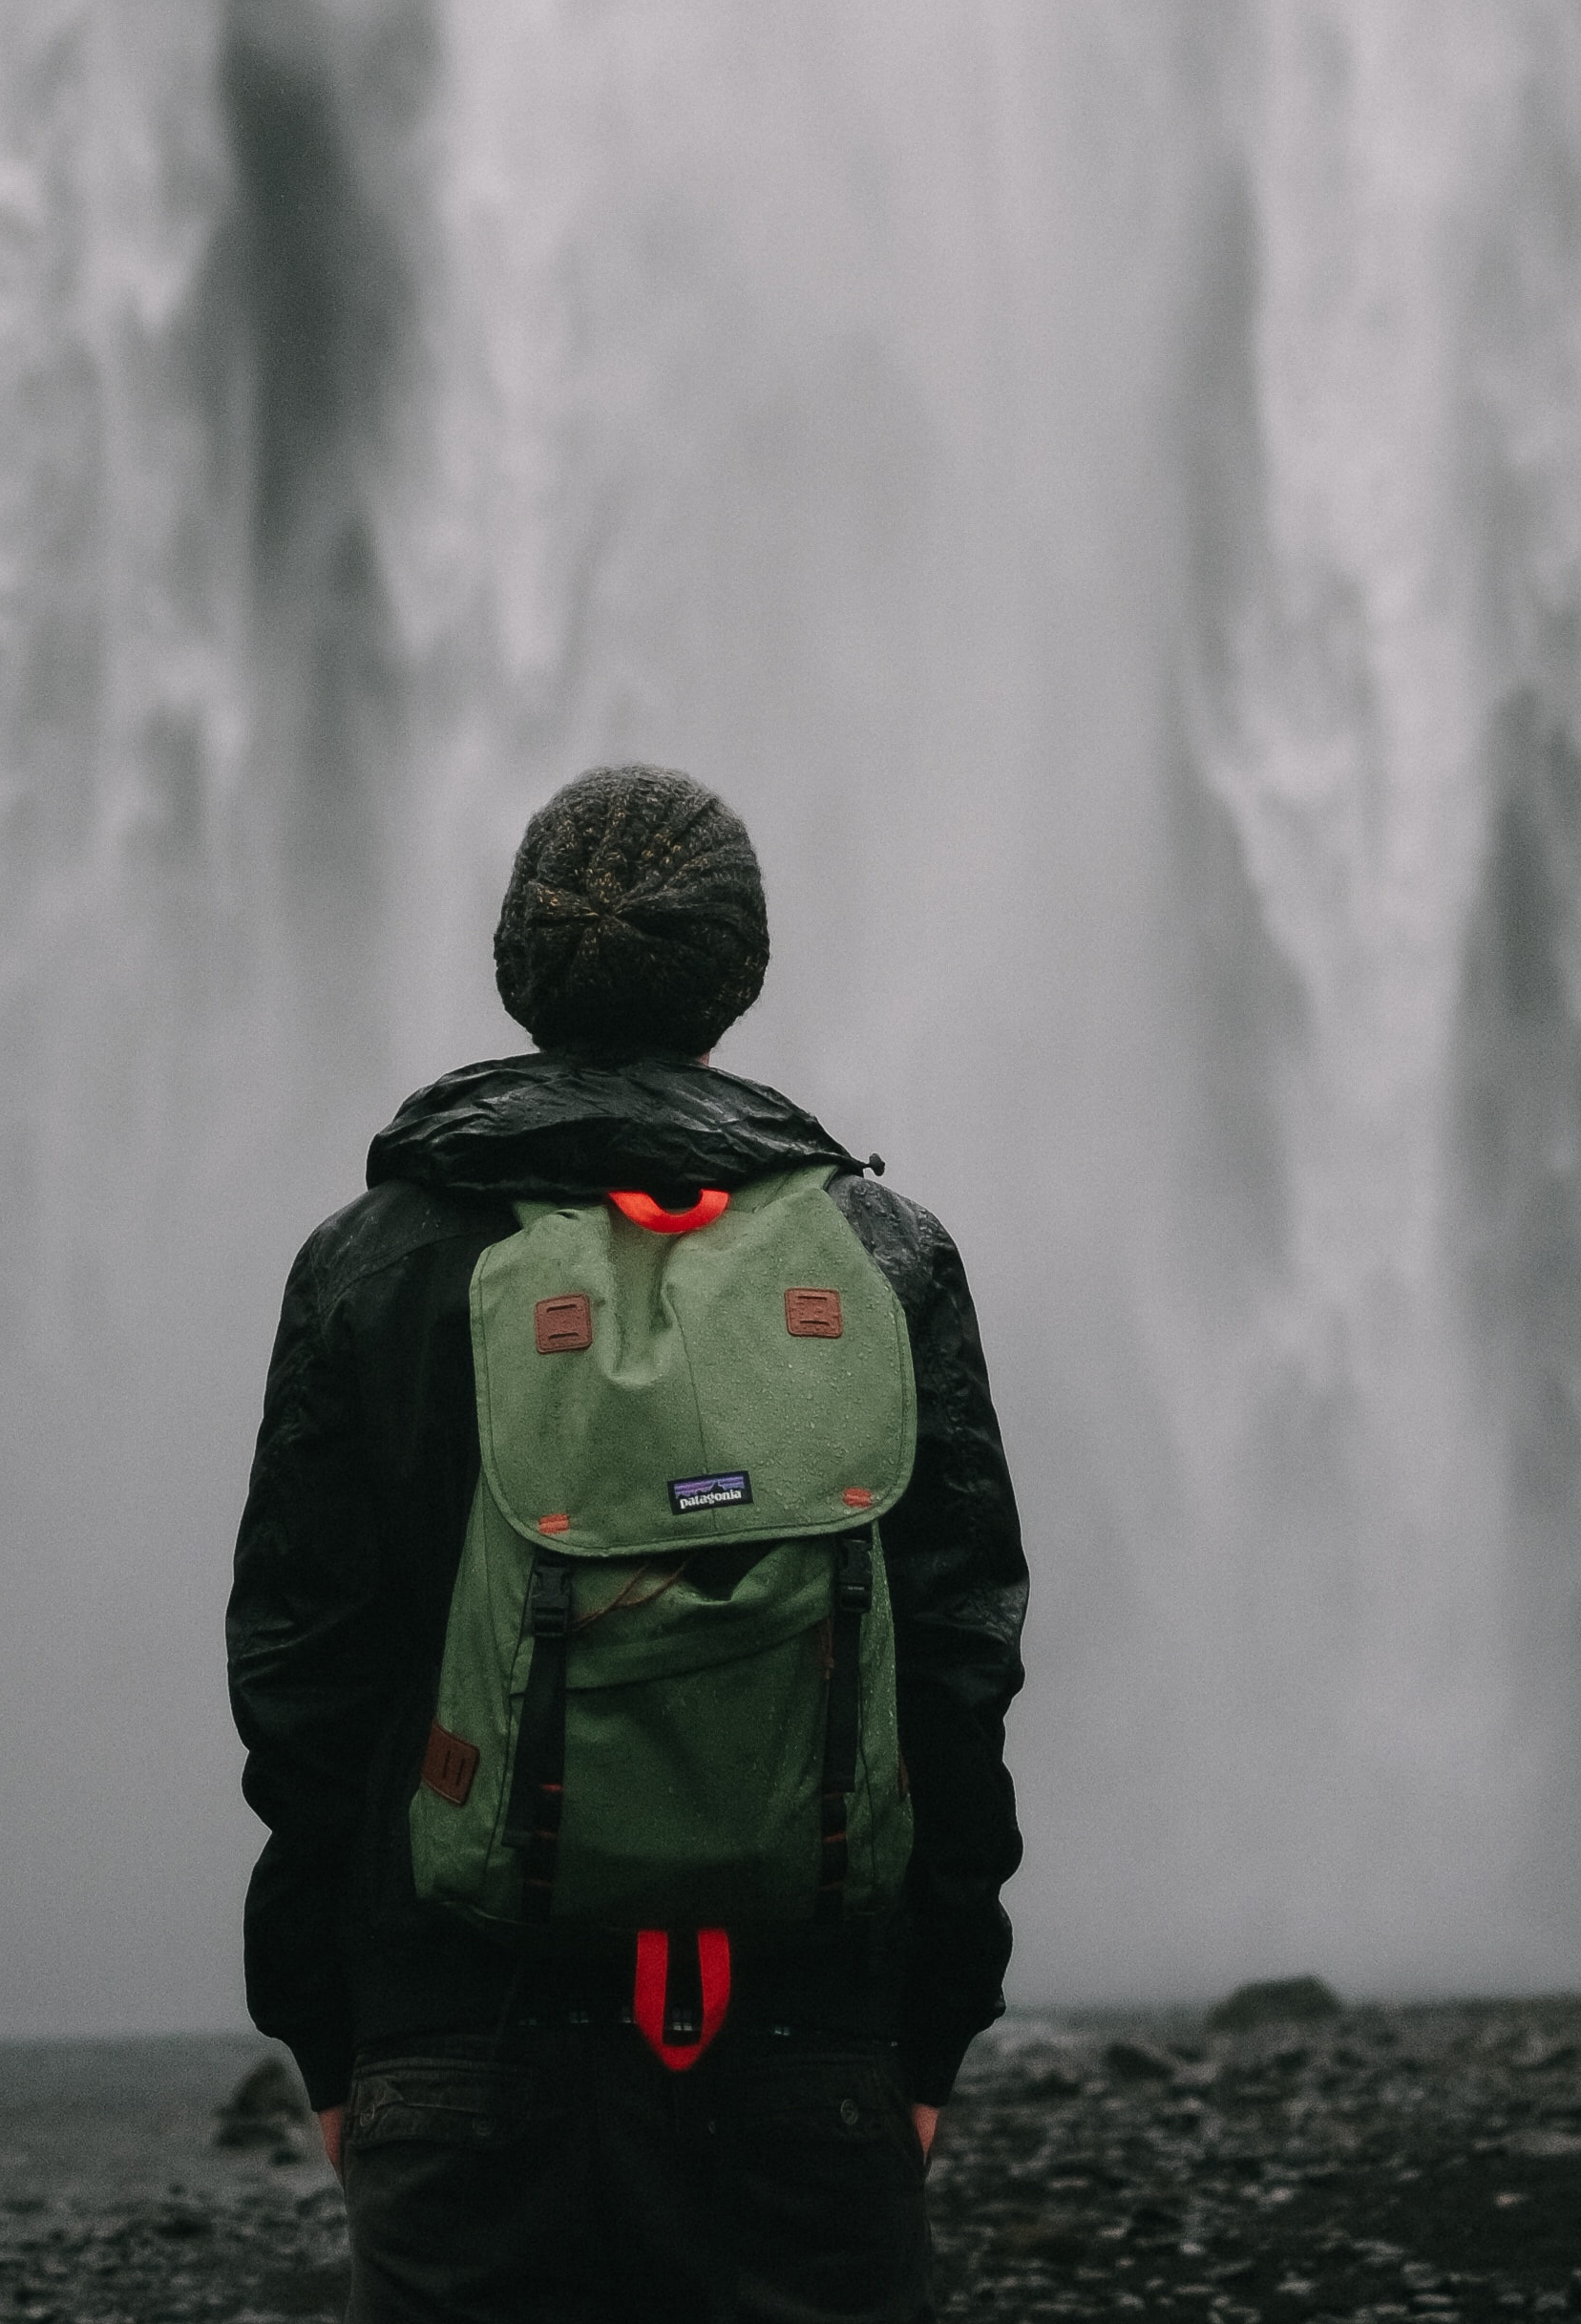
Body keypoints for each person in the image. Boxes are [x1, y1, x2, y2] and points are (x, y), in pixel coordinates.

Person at [227, 761, 1027, 2320]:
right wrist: (930, 2031)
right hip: (810, 2048)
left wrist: (334, 2035)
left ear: (518, 966)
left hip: (455, 2041)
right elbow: (957, 1669)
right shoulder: (882, 1259)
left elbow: (299, 1681)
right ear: (740, 972)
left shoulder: (372, 1263)